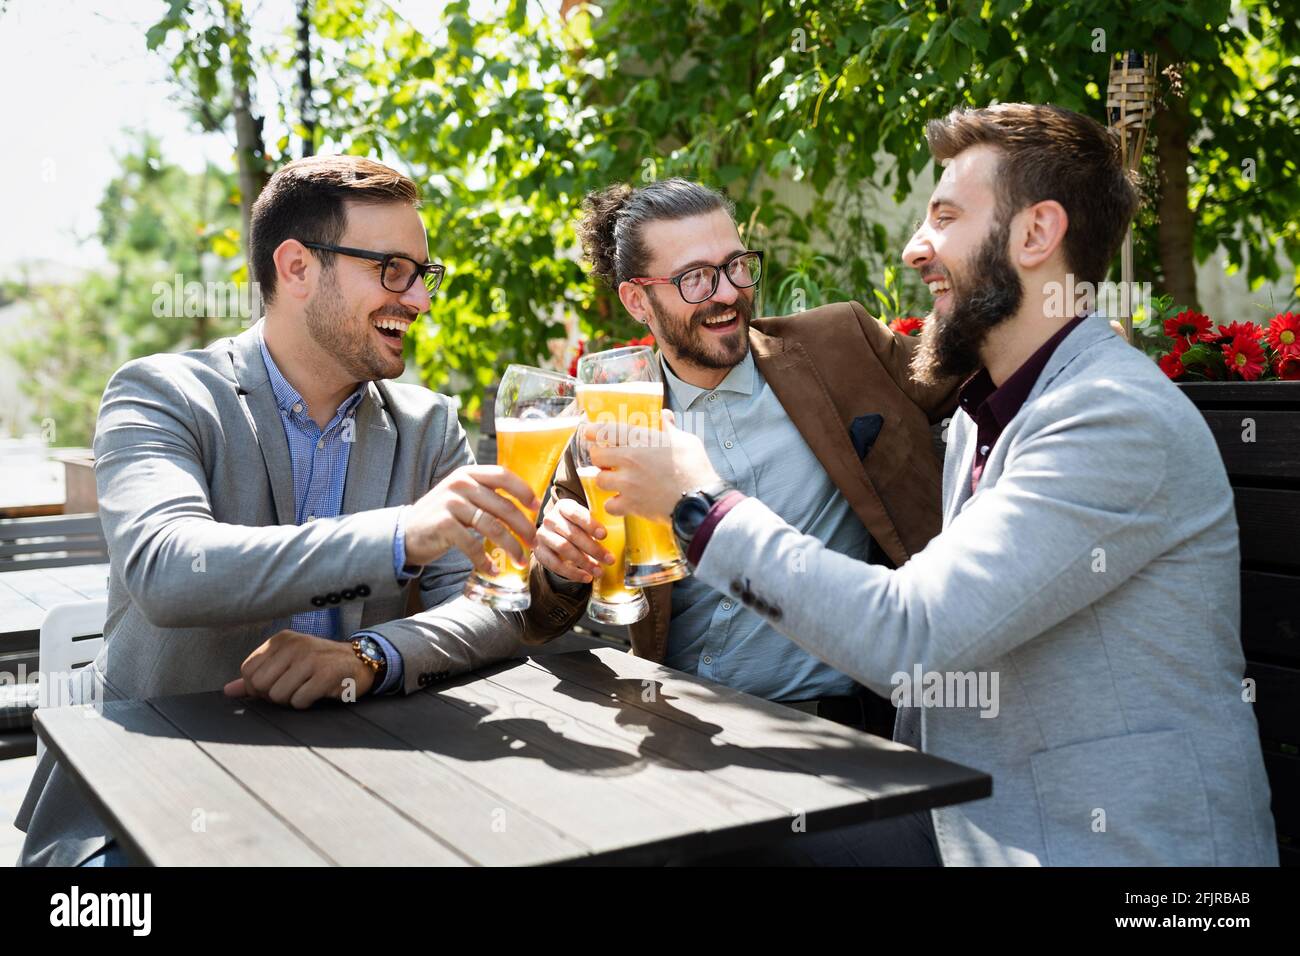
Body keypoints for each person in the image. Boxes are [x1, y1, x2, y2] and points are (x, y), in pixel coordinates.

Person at [588, 104, 1278, 866]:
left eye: (944, 217)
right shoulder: (989, 414)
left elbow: (911, 639)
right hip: (973, 812)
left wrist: (698, 503)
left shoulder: (1109, 417)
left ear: (1036, 234)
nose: (916, 248)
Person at [17, 155, 541, 866]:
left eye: (423, 274)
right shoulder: (159, 394)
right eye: (392, 269)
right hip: (142, 805)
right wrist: (399, 536)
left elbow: (490, 609)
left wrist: (369, 657)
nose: (419, 299)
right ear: (295, 268)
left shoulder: (428, 427)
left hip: (350, 795)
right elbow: (169, 571)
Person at [518, 178, 960, 863]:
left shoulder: (839, 346)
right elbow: (542, 614)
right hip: (678, 743)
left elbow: (970, 370)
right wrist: (554, 564)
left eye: (734, 266)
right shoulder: (605, 428)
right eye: (694, 277)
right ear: (639, 298)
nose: (726, 293)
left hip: (840, 742)